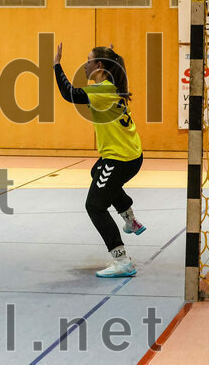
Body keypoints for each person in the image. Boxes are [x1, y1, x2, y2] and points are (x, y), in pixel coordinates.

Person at [53, 43, 146, 278]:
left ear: (99, 65)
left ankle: (122, 260)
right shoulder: (111, 87)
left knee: (94, 205)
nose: (85, 64)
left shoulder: (102, 91)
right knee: (98, 173)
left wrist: (56, 65)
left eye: (88, 60)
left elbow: (69, 93)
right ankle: (130, 219)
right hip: (131, 154)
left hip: (120, 158)